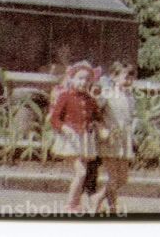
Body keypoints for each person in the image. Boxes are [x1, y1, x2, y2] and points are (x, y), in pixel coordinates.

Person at [48, 61, 103, 213]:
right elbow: (54, 119)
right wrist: (64, 127)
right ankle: (70, 204)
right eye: (80, 78)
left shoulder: (90, 100)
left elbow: (96, 117)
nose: (83, 82)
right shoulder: (65, 96)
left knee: (82, 172)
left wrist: (96, 124)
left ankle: (76, 204)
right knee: (81, 172)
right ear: (71, 79)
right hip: (72, 139)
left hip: (85, 139)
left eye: (87, 79)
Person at [92, 61, 137, 214]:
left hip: (124, 139)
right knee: (113, 177)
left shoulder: (129, 96)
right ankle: (106, 203)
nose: (129, 81)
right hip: (111, 138)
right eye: (125, 77)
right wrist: (102, 128)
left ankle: (102, 199)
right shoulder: (107, 94)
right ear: (114, 76)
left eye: (131, 77)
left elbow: (130, 117)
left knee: (122, 178)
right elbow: (96, 112)